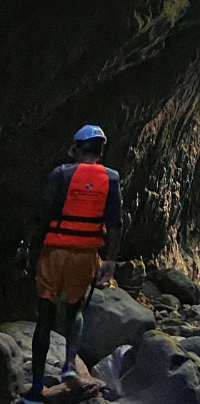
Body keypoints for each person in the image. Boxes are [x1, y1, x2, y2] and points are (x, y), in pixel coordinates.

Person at [24, 125, 121, 402]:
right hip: (86, 254)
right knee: (74, 309)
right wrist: (110, 260)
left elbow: (44, 214)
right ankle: (69, 365)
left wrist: (30, 249)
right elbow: (115, 223)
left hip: (55, 251)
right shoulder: (111, 178)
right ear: (100, 153)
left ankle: (36, 388)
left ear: (77, 148)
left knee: (45, 316)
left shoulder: (61, 174)